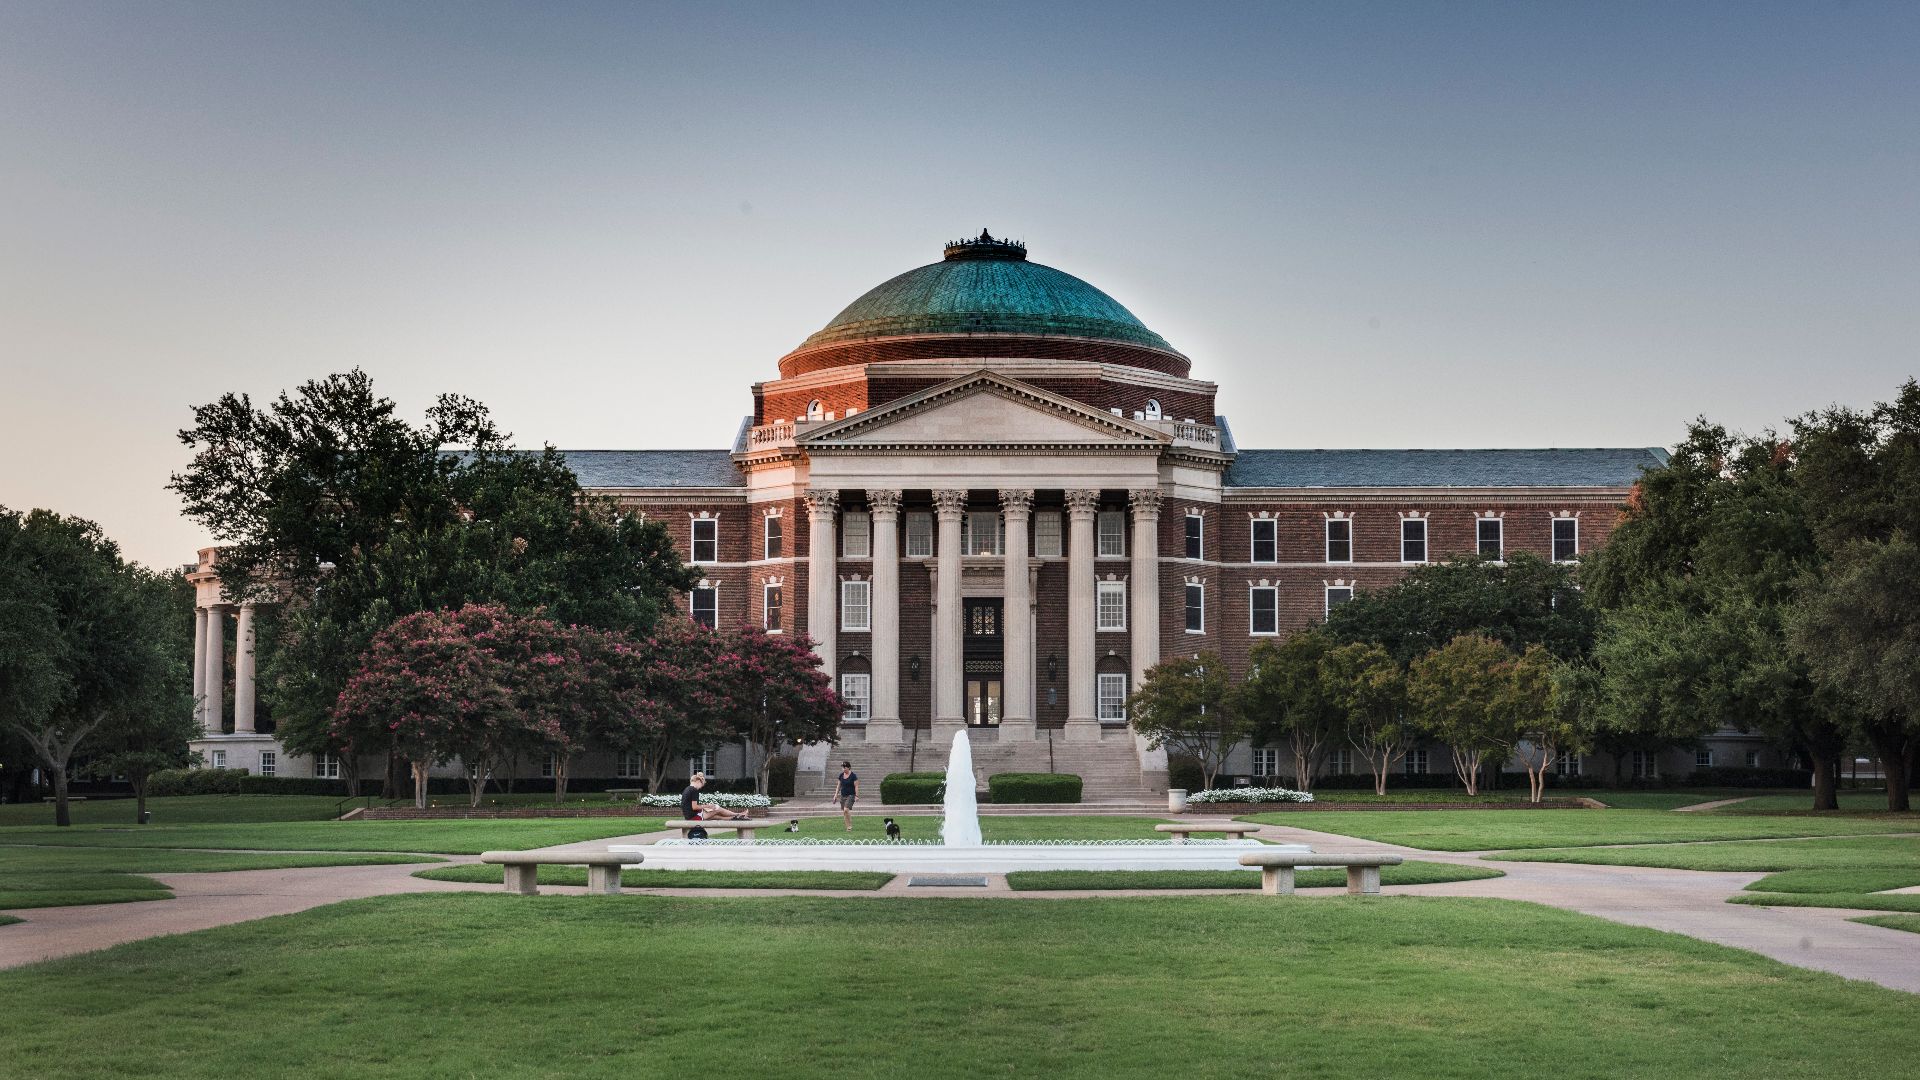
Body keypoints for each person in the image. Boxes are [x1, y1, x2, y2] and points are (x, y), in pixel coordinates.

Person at [679, 772, 750, 823]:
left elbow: (690, 806)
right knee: (717, 808)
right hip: (694, 817)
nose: (700, 787)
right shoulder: (694, 790)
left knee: (716, 816)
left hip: (689, 816)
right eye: (701, 785)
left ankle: (736, 818)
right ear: (698, 781)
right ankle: (739, 814)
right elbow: (695, 807)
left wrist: (705, 807)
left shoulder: (687, 789)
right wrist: (708, 806)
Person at [835, 761, 859, 832]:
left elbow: (856, 786)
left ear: (849, 768)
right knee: (845, 812)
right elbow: (838, 786)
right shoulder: (841, 775)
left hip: (851, 795)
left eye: (844, 768)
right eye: (842, 768)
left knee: (846, 810)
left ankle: (849, 826)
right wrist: (835, 795)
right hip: (843, 795)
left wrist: (857, 795)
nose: (843, 769)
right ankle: (848, 826)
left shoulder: (853, 776)